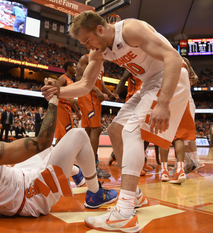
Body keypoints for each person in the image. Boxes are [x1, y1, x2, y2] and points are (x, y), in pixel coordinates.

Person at [42, 11, 190, 232]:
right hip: (149, 83)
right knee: (115, 130)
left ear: (100, 29)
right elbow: (85, 85)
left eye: (88, 40)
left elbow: (173, 58)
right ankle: (136, 197)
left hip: (171, 78)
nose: (88, 47)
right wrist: (59, 90)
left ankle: (125, 212)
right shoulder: (98, 51)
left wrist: (163, 103)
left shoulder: (130, 30)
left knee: (132, 132)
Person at [0, 94, 118, 217]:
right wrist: (54, 100)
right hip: (31, 198)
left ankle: (76, 172)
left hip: (17, 185)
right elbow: (43, 141)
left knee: (42, 152)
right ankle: (95, 193)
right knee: (79, 134)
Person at [76, 54, 116, 178]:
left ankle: (83, 165)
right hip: (88, 95)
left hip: (95, 98)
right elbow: (80, 79)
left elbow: (100, 83)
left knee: (87, 130)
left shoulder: (101, 64)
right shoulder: (85, 58)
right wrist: (96, 90)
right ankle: (93, 166)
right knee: (96, 129)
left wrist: (110, 93)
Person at [55, 61, 81, 145]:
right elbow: (55, 92)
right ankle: (61, 155)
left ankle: (55, 155)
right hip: (62, 107)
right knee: (66, 133)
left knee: (63, 134)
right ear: (69, 68)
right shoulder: (62, 78)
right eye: (74, 67)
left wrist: (77, 111)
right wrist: (69, 100)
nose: (76, 69)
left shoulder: (71, 81)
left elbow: (71, 100)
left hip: (67, 108)